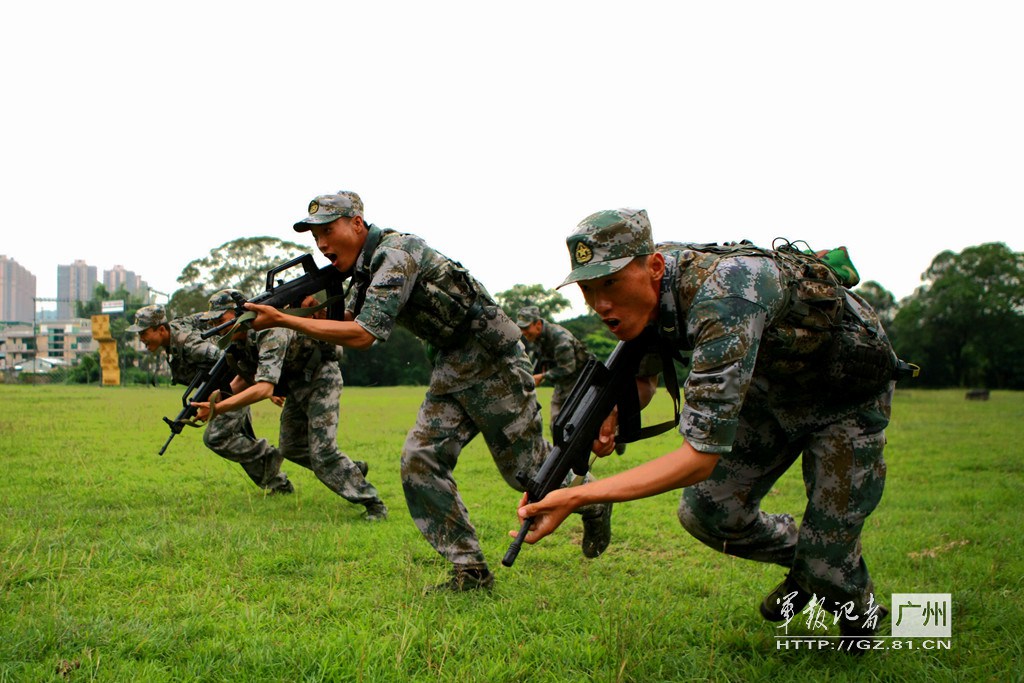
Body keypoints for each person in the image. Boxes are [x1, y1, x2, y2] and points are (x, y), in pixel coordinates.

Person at [513, 208, 896, 645]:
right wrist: (612, 411)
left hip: (843, 398)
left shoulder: (724, 296)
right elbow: (645, 378)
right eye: (588, 288)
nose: (600, 303)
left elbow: (698, 459)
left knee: (829, 565)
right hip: (767, 393)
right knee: (709, 513)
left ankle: (851, 603)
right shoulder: (650, 294)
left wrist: (579, 495)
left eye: (611, 283)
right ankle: (812, 564)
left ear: (654, 266)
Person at [243, 190, 613, 592]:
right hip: (451, 367)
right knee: (420, 460)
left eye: (328, 231)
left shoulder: (395, 253)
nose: (322, 243)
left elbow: (365, 334)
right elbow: (352, 317)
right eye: (316, 236)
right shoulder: (364, 271)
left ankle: (593, 498)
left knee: (526, 472)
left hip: (493, 361)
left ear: (357, 223)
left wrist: (284, 320)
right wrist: (303, 311)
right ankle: (469, 571)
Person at [191, 289, 388, 521]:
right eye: (212, 322)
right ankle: (350, 469)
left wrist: (217, 409)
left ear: (239, 314)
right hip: (296, 383)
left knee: (323, 453)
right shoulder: (241, 341)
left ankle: (373, 503)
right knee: (291, 447)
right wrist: (216, 400)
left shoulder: (268, 331)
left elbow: (264, 388)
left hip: (321, 378)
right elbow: (247, 377)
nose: (217, 327)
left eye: (220, 320)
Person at [128, 303, 293, 494]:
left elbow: (232, 357)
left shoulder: (190, 345)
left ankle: (269, 455)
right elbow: (204, 317)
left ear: (161, 330)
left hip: (232, 389)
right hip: (223, 392)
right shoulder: (175, 333)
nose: (141, 339)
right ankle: (280, 485)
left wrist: (263, 384)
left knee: (216, 437)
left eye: (144, 333)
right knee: (238, 439)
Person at [516, 305, 595, 425]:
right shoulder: (537, 338)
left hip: (582, 383)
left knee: (582, 424)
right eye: (521, 328)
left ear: (538, 324)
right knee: (556, 423)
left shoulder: (560, 338)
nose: (523, 332)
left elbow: (568, 368)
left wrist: (542, 376)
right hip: (562, 384)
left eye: (526, 327)